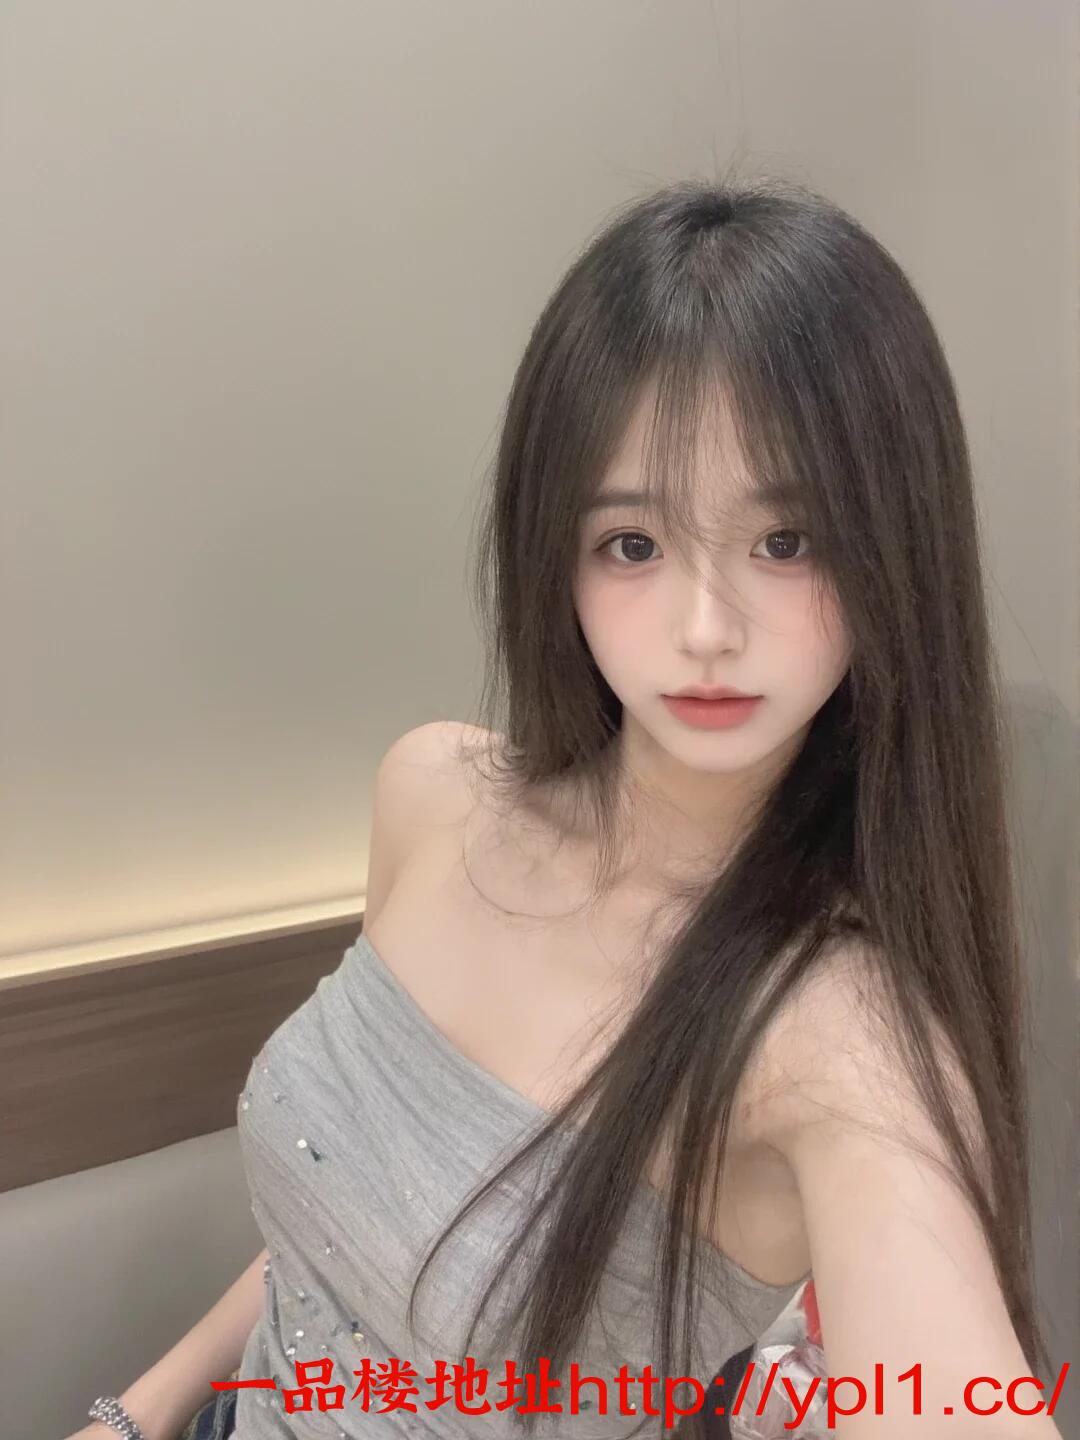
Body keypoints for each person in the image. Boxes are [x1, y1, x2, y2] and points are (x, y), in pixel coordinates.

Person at [73, 174, 1064, 1440]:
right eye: (633, 544)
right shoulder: (433, 793)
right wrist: (134, 1412)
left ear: (896, 549)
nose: (705, 629)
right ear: (559, 554)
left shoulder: (836, 1045)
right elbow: (348, 1230)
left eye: (787, 541)